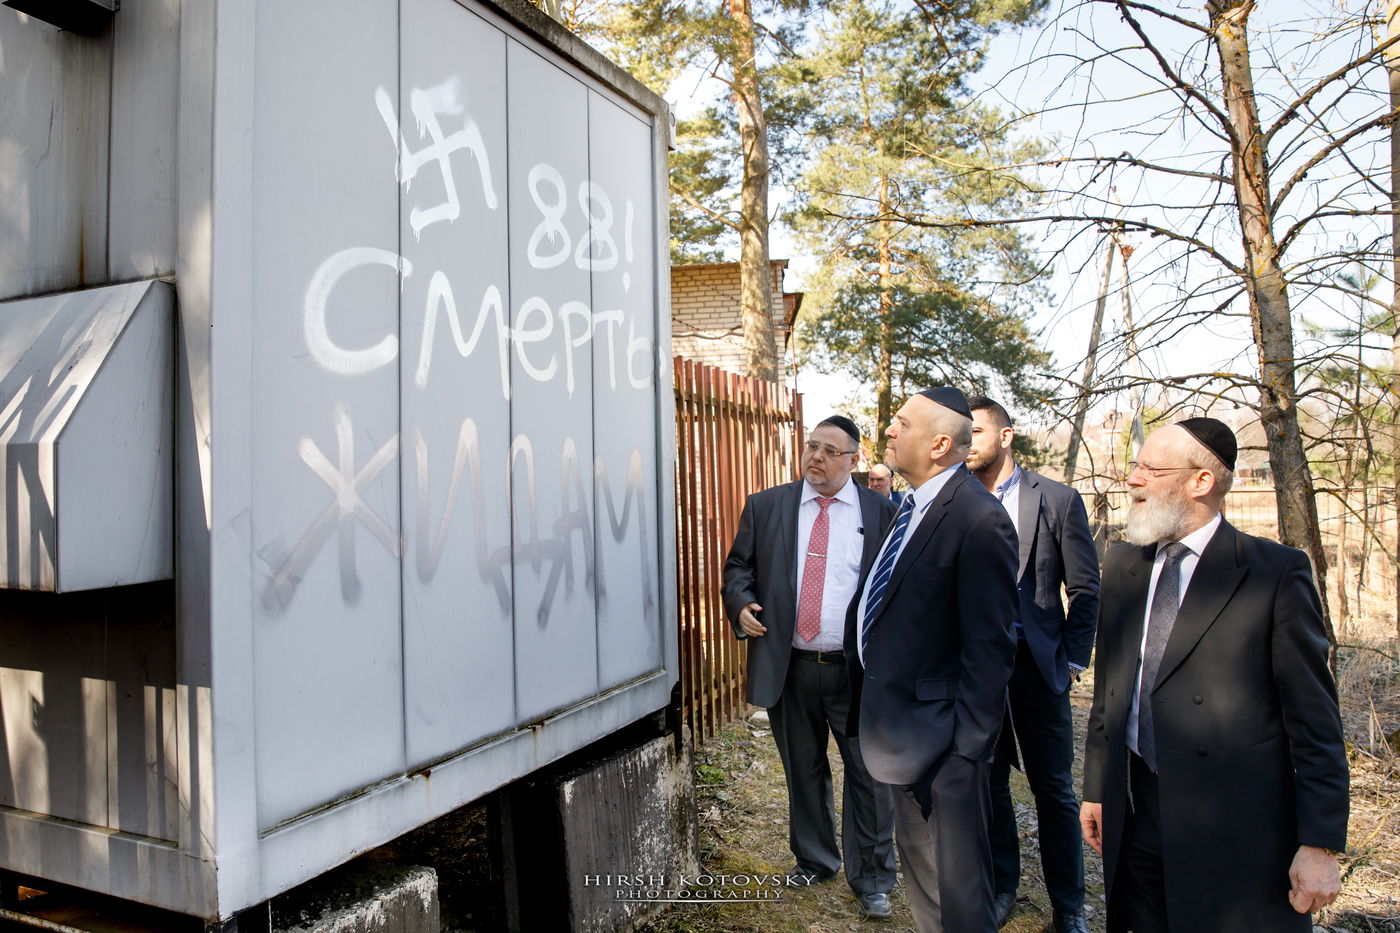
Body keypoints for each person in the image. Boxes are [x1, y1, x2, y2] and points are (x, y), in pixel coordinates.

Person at [1081, 418, 1349, 932]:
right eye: (1136, 466)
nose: (1133, 479)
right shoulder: (1121, 565)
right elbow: (1109, 693)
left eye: (1151, 469)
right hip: (1135, 813)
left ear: (1200, 482)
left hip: (1236, 830)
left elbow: (1315, 721)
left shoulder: (1273, 573)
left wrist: (1318, 844)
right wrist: (1097, 787)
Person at [846, 387, 1019, 933]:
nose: (888, 429)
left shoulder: (978, 518)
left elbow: (991, 649)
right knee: (926, 885)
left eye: (902, 422)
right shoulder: (911, 507)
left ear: (940, 444)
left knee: (959, 899)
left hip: (945, 747)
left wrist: (966, 754)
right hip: (901, 733)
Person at [722, 415, 898, 919]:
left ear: (854, 459)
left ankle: (873, 878)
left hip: (857, 671)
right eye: (811, 446)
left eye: (829, 451)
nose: (815, 457)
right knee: (804, 768)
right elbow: (738, 568)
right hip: (791, 664)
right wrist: (741, 603)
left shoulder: (882, 512)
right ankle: (816, 858)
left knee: (869, 775)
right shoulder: (767, 506)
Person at [966, 397, 1099, 933]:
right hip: (979, 668)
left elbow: (1085, 589)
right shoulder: (956, 500)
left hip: (1040, 667)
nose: (966, 441)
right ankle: (1003, 888)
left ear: (1005, 436)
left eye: (976, 431)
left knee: (1055, 790)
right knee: (990, 783)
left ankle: (1069, 907)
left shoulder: (1058, 500)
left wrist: (1072, 661)